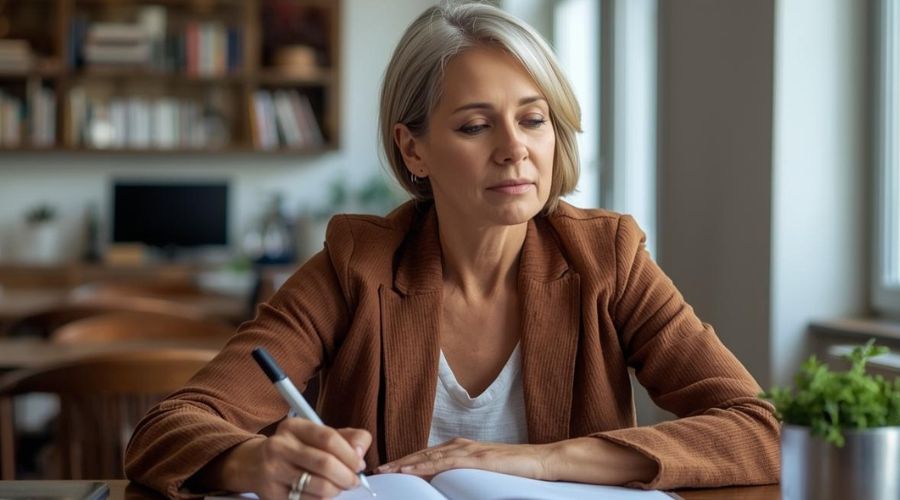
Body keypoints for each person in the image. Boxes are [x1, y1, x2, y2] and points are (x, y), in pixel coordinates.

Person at [124, 2, 780, 499]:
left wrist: (539, 459)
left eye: (532, 118)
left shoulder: (606, 258)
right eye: (474, 125)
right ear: (413, 150)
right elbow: (171, 427)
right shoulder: (357, 267)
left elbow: (759, 430)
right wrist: (250, 461)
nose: (514, 148)